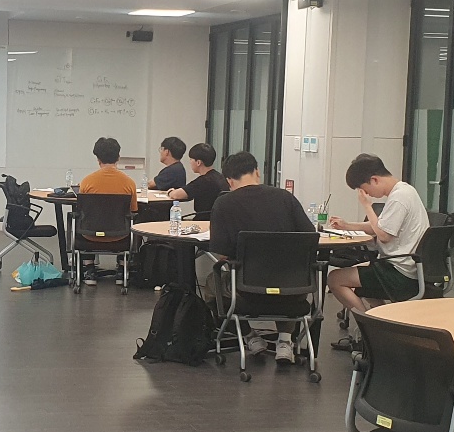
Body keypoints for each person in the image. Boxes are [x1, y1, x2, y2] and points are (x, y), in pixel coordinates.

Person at [202, 152, 315, 364]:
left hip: (246, 292)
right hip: (291, 290)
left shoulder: (223, 204)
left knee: (211, 283)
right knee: (286, 278)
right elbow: (309, 237)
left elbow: (222, 252)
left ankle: (250, 336)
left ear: (229, 180)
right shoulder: (285, 198)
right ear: (257, 172)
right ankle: (285, 341)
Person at [325, 154, 429, 350]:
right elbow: (379, 226)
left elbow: (383, 235)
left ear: (374, 179)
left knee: (335, 279)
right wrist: (347, 225)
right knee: (361, 279)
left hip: (399, 273)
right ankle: (384, 332)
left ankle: (370, 331)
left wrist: (366, 206)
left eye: (365, 189)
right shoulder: (405, 191)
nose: (368, 194)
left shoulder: (399, 198)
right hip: (404, 267)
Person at [78, 137, 140, 285]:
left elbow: (82, 210)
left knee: (80, 220)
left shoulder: (86, 182)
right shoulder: (129, 183)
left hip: (89, 237)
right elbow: (133, 210)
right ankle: (122, 270)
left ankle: (89, 270)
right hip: (120, 237)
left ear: (97, 158)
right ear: (118, 157)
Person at [165, 142, 227, 218]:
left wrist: (170, 192)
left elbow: (176, 195)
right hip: (219, 220)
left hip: (202, 220)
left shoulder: (203, 181)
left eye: (191, 159)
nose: (190, 162)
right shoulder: (221, 177)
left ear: (198, 162)